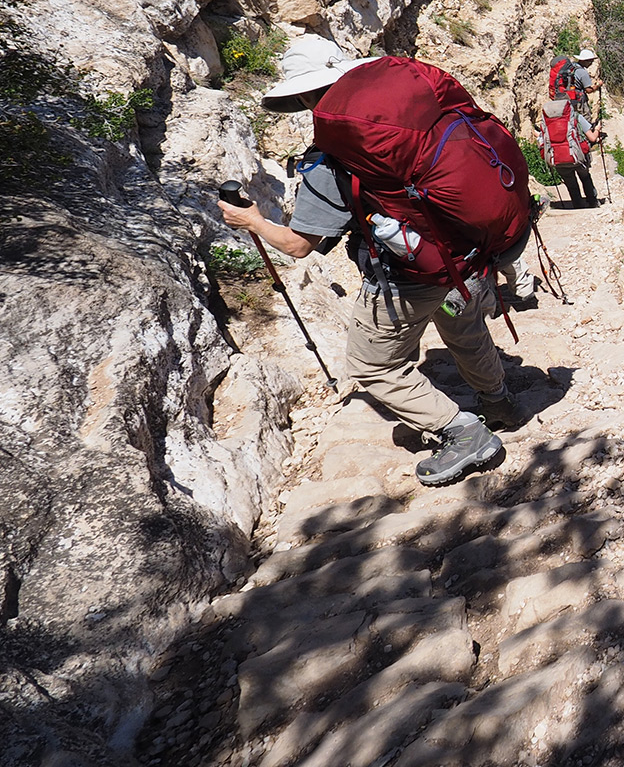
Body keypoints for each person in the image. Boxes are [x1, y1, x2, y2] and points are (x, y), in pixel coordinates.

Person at [216, 34, 524, 486]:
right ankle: (497, 401)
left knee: (372, 366)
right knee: (462, 325)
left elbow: (301, 245)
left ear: (304, 95)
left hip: (411, 273)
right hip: (467, 255)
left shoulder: (330, 160)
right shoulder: (423, 118)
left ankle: (463, 433)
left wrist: (254, 222)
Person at [540, 94, 600, 208]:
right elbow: (592, 138)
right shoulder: (576, 117)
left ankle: (577, 204)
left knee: (570, 182)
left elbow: (541, 140)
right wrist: (597, 129)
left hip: (556, 157)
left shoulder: (546, 120)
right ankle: (592, 202)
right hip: (577, 156)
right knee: (585, 177)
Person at [552, 48, 598, 116]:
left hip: (566, 96)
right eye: (590, 61)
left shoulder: (572, 66)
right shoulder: (582, 72)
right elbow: (588, 90)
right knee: (585, 117)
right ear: (583, 61)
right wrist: (598, 86)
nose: (591, 63)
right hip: (577, 98)